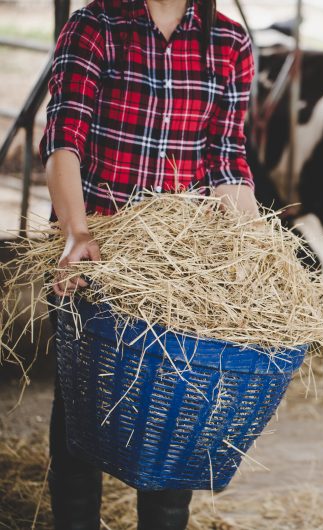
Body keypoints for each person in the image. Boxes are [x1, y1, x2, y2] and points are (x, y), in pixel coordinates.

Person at [41, 0, 258, 527]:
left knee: (174, 407)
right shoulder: (96, 25)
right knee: (81, 402)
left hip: (179, 263)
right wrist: (77, 233)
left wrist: (256, 251)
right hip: (97, 243)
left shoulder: (229, 42)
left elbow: (226, 158)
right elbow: (63, 143)